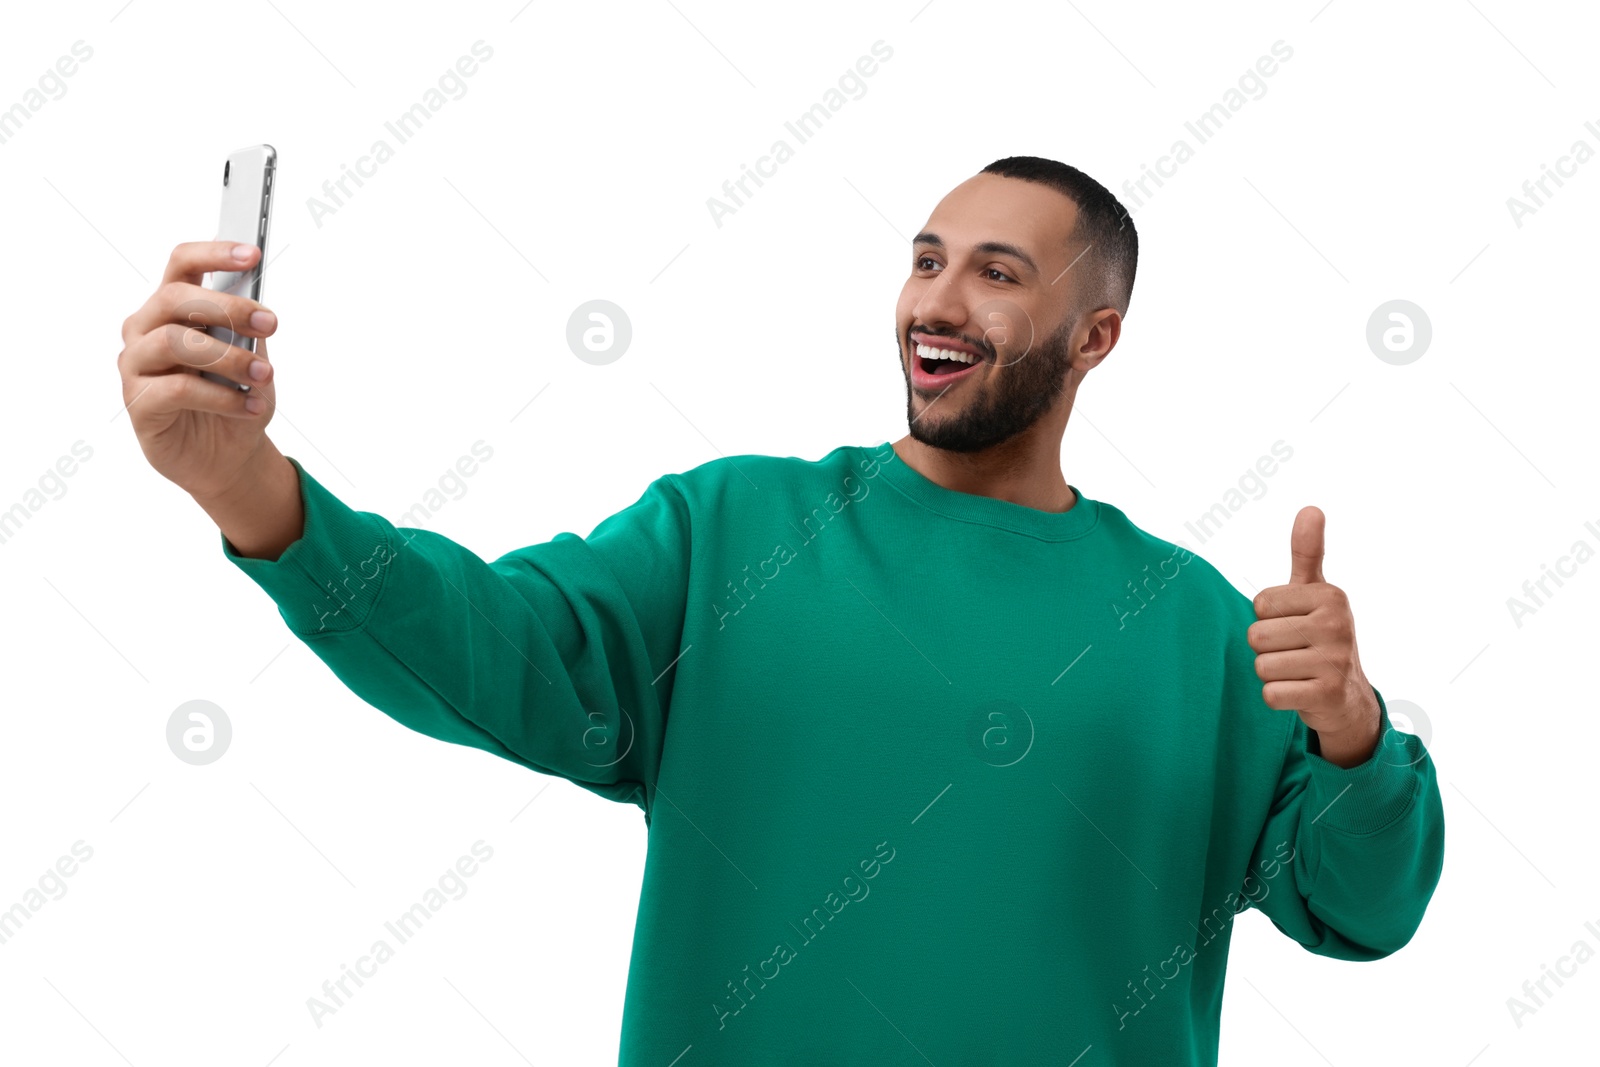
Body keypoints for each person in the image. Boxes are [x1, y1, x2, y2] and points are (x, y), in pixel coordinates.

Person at [118, 155, 1444, 1065]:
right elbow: (496, 650)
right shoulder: (732, 534)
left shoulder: (1195, 627)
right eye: (926, 262)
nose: (935, 300)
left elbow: (1361, 908)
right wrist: (257, 494)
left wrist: (1354, 736)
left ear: (1095, 337)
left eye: (996, 272)